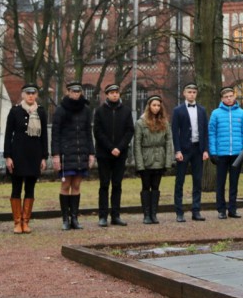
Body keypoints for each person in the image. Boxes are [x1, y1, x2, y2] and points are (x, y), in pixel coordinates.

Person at [3, 83, 49, 234]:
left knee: (30, 188)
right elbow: (8, 134)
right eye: (28, 93)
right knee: (16, 188)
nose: (30, 96)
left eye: (33, 93)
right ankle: (17, 222)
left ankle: (26, 221)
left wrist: (44, 157)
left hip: (34, 155)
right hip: (17, 155)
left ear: (36, 95)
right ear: (22, 95)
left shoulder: (41, 112)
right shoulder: (15, 111)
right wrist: (7, 156)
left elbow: (44, 136)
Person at [52, 82, 95, 230]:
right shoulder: (60, 110)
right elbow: (55, 134)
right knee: (65, 185)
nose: (76, 93)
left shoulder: (86, 110)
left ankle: (74, 218)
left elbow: (88, 132)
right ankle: (65, 219)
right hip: (66, 152)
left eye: (78, 91)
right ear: (68, 91)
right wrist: (56, 155)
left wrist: (91, 153)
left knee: (76, 185)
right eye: (73, 91)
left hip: (81, 151)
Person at [93, 84, 134, 227]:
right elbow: (98, 132)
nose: (115, 95)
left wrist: (120, 148)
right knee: (104, 185)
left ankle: (115, 215)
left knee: (117, 184)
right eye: (112, 93)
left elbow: (129, 131)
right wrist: (111, 148)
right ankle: (102, 216)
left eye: (117, 92)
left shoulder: (126, 111)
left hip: (120, 154)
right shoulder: (99, 111)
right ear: (107, 95)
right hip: (104, 154)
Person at [208, 86, 243, 219]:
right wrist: (213, 152)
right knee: (220, 183)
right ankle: (221, 209)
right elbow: (212, 134)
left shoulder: (242, 113)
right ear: (222, 99)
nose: (229, 98)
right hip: (221, 153)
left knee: (234, 182)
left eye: (231, 96)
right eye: (226, 97)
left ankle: (232, 209)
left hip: (237, 153)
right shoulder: (215, 113)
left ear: (234, 96)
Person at [171, 82, 209, 222]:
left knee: (197, 181)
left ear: (196, 94)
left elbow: (205, 131)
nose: (192, 94)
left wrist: (205, 149)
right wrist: (177, 150)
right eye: (189, 92)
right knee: (180, 181)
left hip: (198, 149)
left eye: (194, 92)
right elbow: (175, 132)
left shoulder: (202, 110)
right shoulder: (178, 110)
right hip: (184, 149)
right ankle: (179, 212)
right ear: (184, 94)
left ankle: (196, 210)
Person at [133, 95, 173, 224]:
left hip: (159, 157)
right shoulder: (141, 122)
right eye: (154, 105)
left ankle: (154, 213)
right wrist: (139, 164)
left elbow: (168, 142)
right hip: (146, 158)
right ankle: (146, 214)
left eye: (158, 105)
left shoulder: (165, 122)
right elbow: (137, 144)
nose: (156, 108)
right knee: (146, 186)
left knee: (156, 186)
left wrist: (168, 161)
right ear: (149, 106)